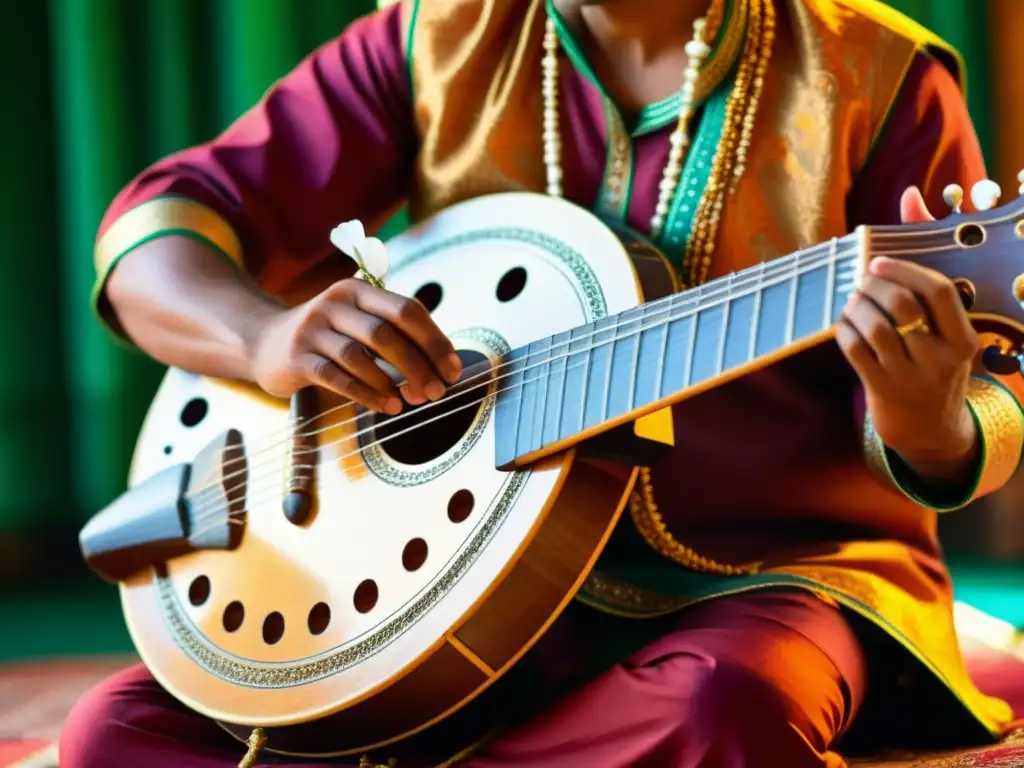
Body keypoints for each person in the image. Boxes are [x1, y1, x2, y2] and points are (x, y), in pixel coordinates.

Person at [61, 0, 1024, 765]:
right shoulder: (437, 37)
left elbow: (987, 404)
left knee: (721, 712)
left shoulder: (876, 74)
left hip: (757, 578)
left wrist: (921, 410)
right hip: (451, 591)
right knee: (118, 736)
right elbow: (161, 227)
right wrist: (265, 335)